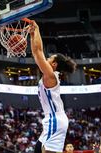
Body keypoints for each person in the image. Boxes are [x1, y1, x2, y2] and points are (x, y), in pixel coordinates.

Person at [29, 20, 77, 153]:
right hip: (54, 119)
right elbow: (35, 53)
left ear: (54, 64)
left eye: (50, 58)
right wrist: (32, 35)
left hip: (55, 119)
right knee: (38, 148)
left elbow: (38, 52)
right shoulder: (51, 75)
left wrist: (37, 29)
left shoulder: (51, 75)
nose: (47, 59)